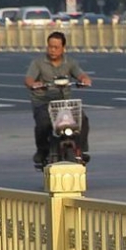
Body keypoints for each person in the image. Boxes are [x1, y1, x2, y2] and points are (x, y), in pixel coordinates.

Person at [24, 31, 92, 167]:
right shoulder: (38, 63)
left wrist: (84, 80)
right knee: (43, 124)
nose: (52, 50)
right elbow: (29, 79)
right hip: (44, 103)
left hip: (64, 103)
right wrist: (33, 84)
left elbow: (81, 75)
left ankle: (81, 150)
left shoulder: (70, 62)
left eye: (56, 47)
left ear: (63, 48)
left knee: (82, 120)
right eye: (50, 46)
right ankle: (42, 150)